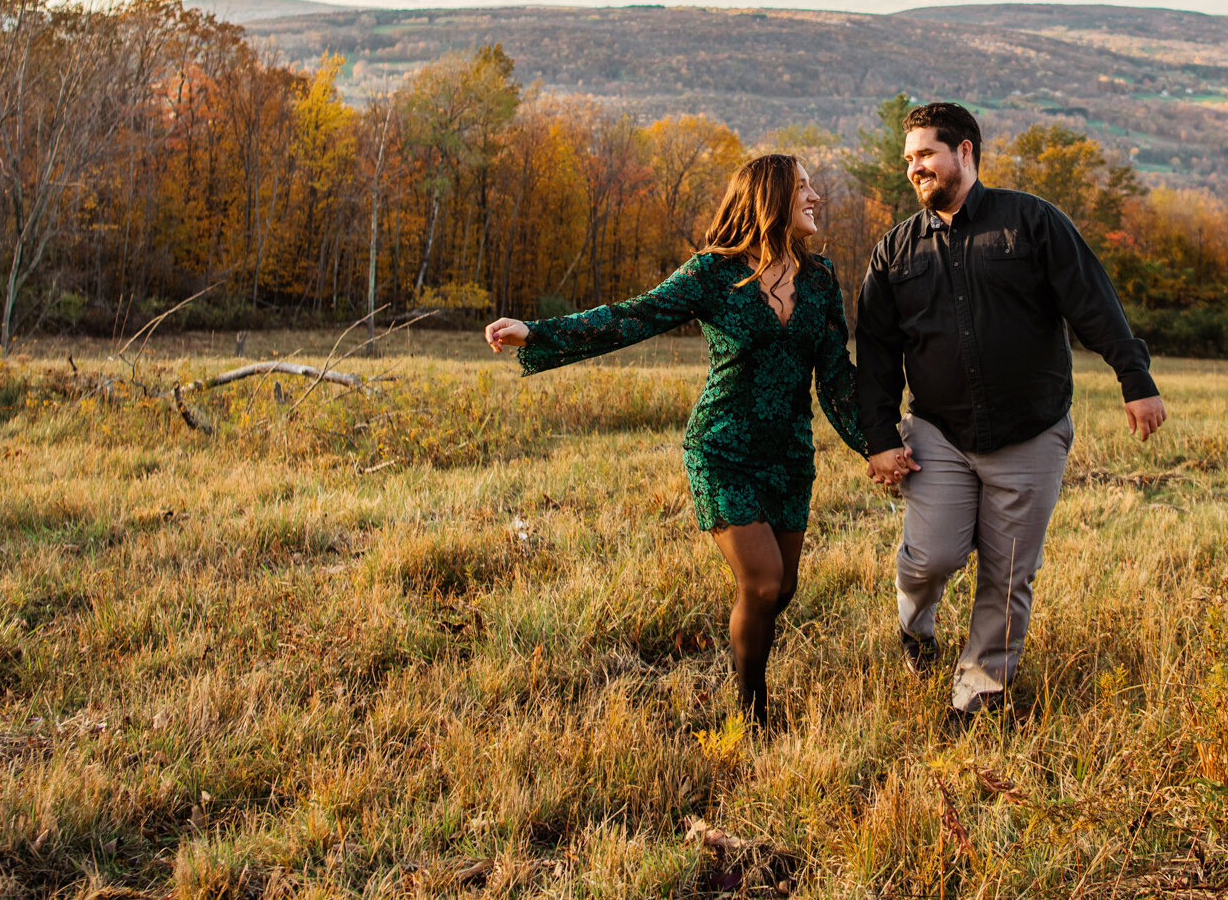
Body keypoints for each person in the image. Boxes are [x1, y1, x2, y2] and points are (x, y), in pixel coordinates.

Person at [482, 153, 866, 727]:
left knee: (781, 591)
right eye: (804, 188)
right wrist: (538, 332)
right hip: (722, 449)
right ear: (771, 198)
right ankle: (751, 712)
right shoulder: (713, 272)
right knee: (762, 584)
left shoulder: (820, 279)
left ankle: (747, 670)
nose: (816, 198)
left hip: (789, 454)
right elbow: (633, 316)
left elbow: (836, 375)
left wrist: (877, 443)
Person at [855, 101, 1167, 726]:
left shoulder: (1031, 222)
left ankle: (977, 693)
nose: (915, 169)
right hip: (939, 431)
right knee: (930, 558)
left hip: (1030, 430)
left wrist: (1135, 377)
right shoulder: (894, 251)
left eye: (926, 155)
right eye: (908, 160)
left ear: (964, 152)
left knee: (1007, 571)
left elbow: (1092, 302)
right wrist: (878, 437)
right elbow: (878, 352)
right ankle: (916, 629)